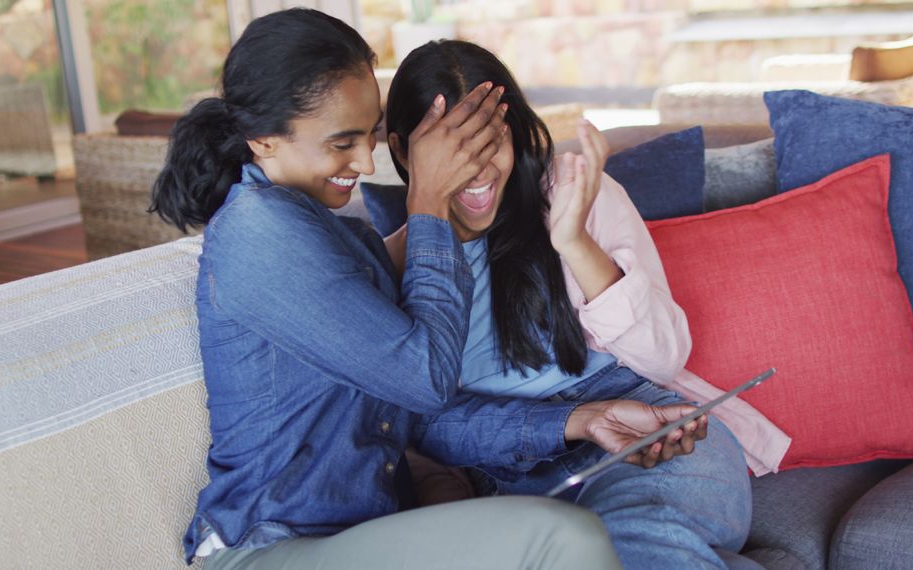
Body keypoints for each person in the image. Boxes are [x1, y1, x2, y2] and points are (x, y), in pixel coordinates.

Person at [148, 8, 713, 570]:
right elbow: (426, 379)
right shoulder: (259, 234)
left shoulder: (338, 239)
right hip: (274, 545)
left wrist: (582, 421)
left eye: (367, 138)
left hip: (360, 533)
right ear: (263, 139)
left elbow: (416, 417)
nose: (365, 163)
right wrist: (427, 204)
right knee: (562, 537)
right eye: (343, 142)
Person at [382, 40, 789, 569]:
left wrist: (573, 242)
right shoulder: (385, 268)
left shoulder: (574, 196)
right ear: (401, 149)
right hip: (504, 471)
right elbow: (423, 427)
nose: (480, 172)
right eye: (455, 150)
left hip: (645, 429)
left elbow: (665, 357)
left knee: (633, 545)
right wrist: (572, 420)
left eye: (495, 142)